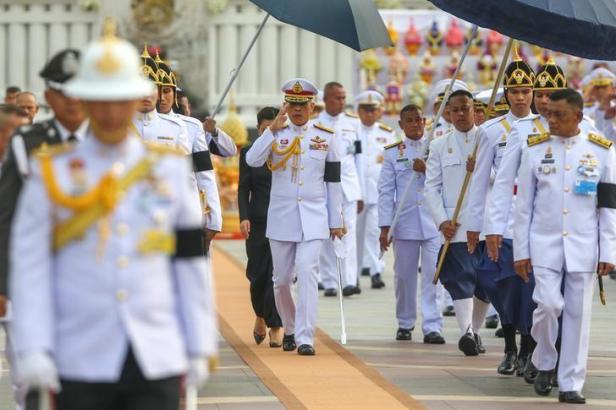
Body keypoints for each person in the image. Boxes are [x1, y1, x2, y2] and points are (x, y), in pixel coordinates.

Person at [9, 21, 213, 409]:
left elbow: (189, 263)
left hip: (156, 351)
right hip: (80, 352)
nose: (110, 111)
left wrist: (199, 342)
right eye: (100, 99)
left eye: (120, 98)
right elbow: (30, 265)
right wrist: (33, 345)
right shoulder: (50, 173)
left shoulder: (167, 171)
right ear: (85, 101)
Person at [483, 57, 598, 382]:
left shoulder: (590, 132)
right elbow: (505, 183)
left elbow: (603, 190)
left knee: (574, 309)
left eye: (551, 95)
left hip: (579, 235)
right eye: (541, 95)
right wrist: (494, 227)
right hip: (537, 232)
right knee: (543, 301)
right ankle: (538, 354)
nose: (544, 101)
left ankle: (564, 371)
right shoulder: (524, 132)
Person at [513, 89, 616, 404]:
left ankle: (570, 381)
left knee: (577, 314)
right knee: (548, 304)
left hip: (585, 244)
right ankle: (544, 359)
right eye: (549, 114)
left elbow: (608, 206)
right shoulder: (534, 149)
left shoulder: (601, 151)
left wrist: (609, 251)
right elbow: (523, 207)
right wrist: (521, 252)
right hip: (543, 243)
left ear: (579, 117)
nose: (551, 120)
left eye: (559, 115)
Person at [0, 50, 87, 380]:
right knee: (30, 378)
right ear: (50, 97)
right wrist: (4, 282)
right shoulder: (27, 143)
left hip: (94, 276)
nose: (73, 99)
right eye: (63, 91)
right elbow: (8, 214)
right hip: (38, 275)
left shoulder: (112, 140)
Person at [246, 78, 344, 356]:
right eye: (292, 104)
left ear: (313, 105)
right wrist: (269, 132)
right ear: (285, 106)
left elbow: (333, 182)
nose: (298, 110)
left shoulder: (327, 135)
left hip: (313, 217)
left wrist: (335, 220)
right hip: (282, 217)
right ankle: (289, 327)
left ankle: (305, 337)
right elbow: (252, 161)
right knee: (281, 280)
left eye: (303, 105)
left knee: (307, 271)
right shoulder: (276, 133)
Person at [466, 51, 536, 376]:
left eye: (526, 91)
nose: (520, 97)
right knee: (497, 282)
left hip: (534, 221)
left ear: (533, 92)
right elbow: (479, 184)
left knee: (529, 288)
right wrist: (474, 226)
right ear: (505, 92)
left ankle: (527, 349)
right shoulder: (491, 131)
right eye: (514, 91)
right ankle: (509, 344)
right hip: (500, 220)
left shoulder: (543, 126)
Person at [424, 89, 490, 356]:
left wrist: (485, 168)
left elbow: (504, 178)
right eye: (456, 110)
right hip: (456, 224)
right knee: (461, 279)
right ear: (448, 113)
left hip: (486, 224)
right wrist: (441, 221)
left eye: (466, 108)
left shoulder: (487, 140)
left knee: (485, 284)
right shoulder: (440, 145)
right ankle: (466, 333)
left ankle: (475, 330)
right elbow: (431, 188)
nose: (462, 114)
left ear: (475, 110)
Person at [379, 104, 445, 344]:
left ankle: (432, 326)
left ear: (425, 121)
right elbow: (385, 192)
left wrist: (426, 169)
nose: (415, 124)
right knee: (404, 277)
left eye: (419, 120)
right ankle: (405, 323)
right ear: (401, 125)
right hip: (404, 222)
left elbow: (446, 183)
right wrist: (384, 227)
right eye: (410, 121)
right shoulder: (392, 152)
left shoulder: (437, 147)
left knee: (432, 277)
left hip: (433, 222)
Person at [154, 53, 222, 252]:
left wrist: (213, 217)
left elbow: (204, 174)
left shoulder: (191, 127)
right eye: (157, 90)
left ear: (175, 94)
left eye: (167, 90)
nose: (161, 97)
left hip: (184, 208)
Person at [239, 106, 283, 347]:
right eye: (266, 129)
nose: (270, 133)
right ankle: (260, 315)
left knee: (278, 274)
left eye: (274, 128)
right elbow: (243, 188)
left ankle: (276, 325)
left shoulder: (286, 152)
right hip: (256, 221)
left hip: (282, 221)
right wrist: (243, 216)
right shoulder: (249, 153)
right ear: (258, 130)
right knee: (257, 274)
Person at [317, 81, 365, 294]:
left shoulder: (354, 124)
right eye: (337, 97)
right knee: (328, 232)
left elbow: (359, 159)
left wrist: (361, 191)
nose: (342, 102)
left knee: (350, 233)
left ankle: (349, 280)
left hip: (349, 186)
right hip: (325, 186)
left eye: (344, 97)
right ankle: (329, 281)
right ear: (326, 99)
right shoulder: (315, 124)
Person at [355, 91, 395, 291]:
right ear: (358, 111)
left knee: (374, 233)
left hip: (378, 191)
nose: (369, 114)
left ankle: (375, 270)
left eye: (373, 110)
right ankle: (352, 274)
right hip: (356, 192)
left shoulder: (387, 133)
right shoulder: (352, 131)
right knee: (354, 235)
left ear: (380, 111)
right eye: (365, 110)